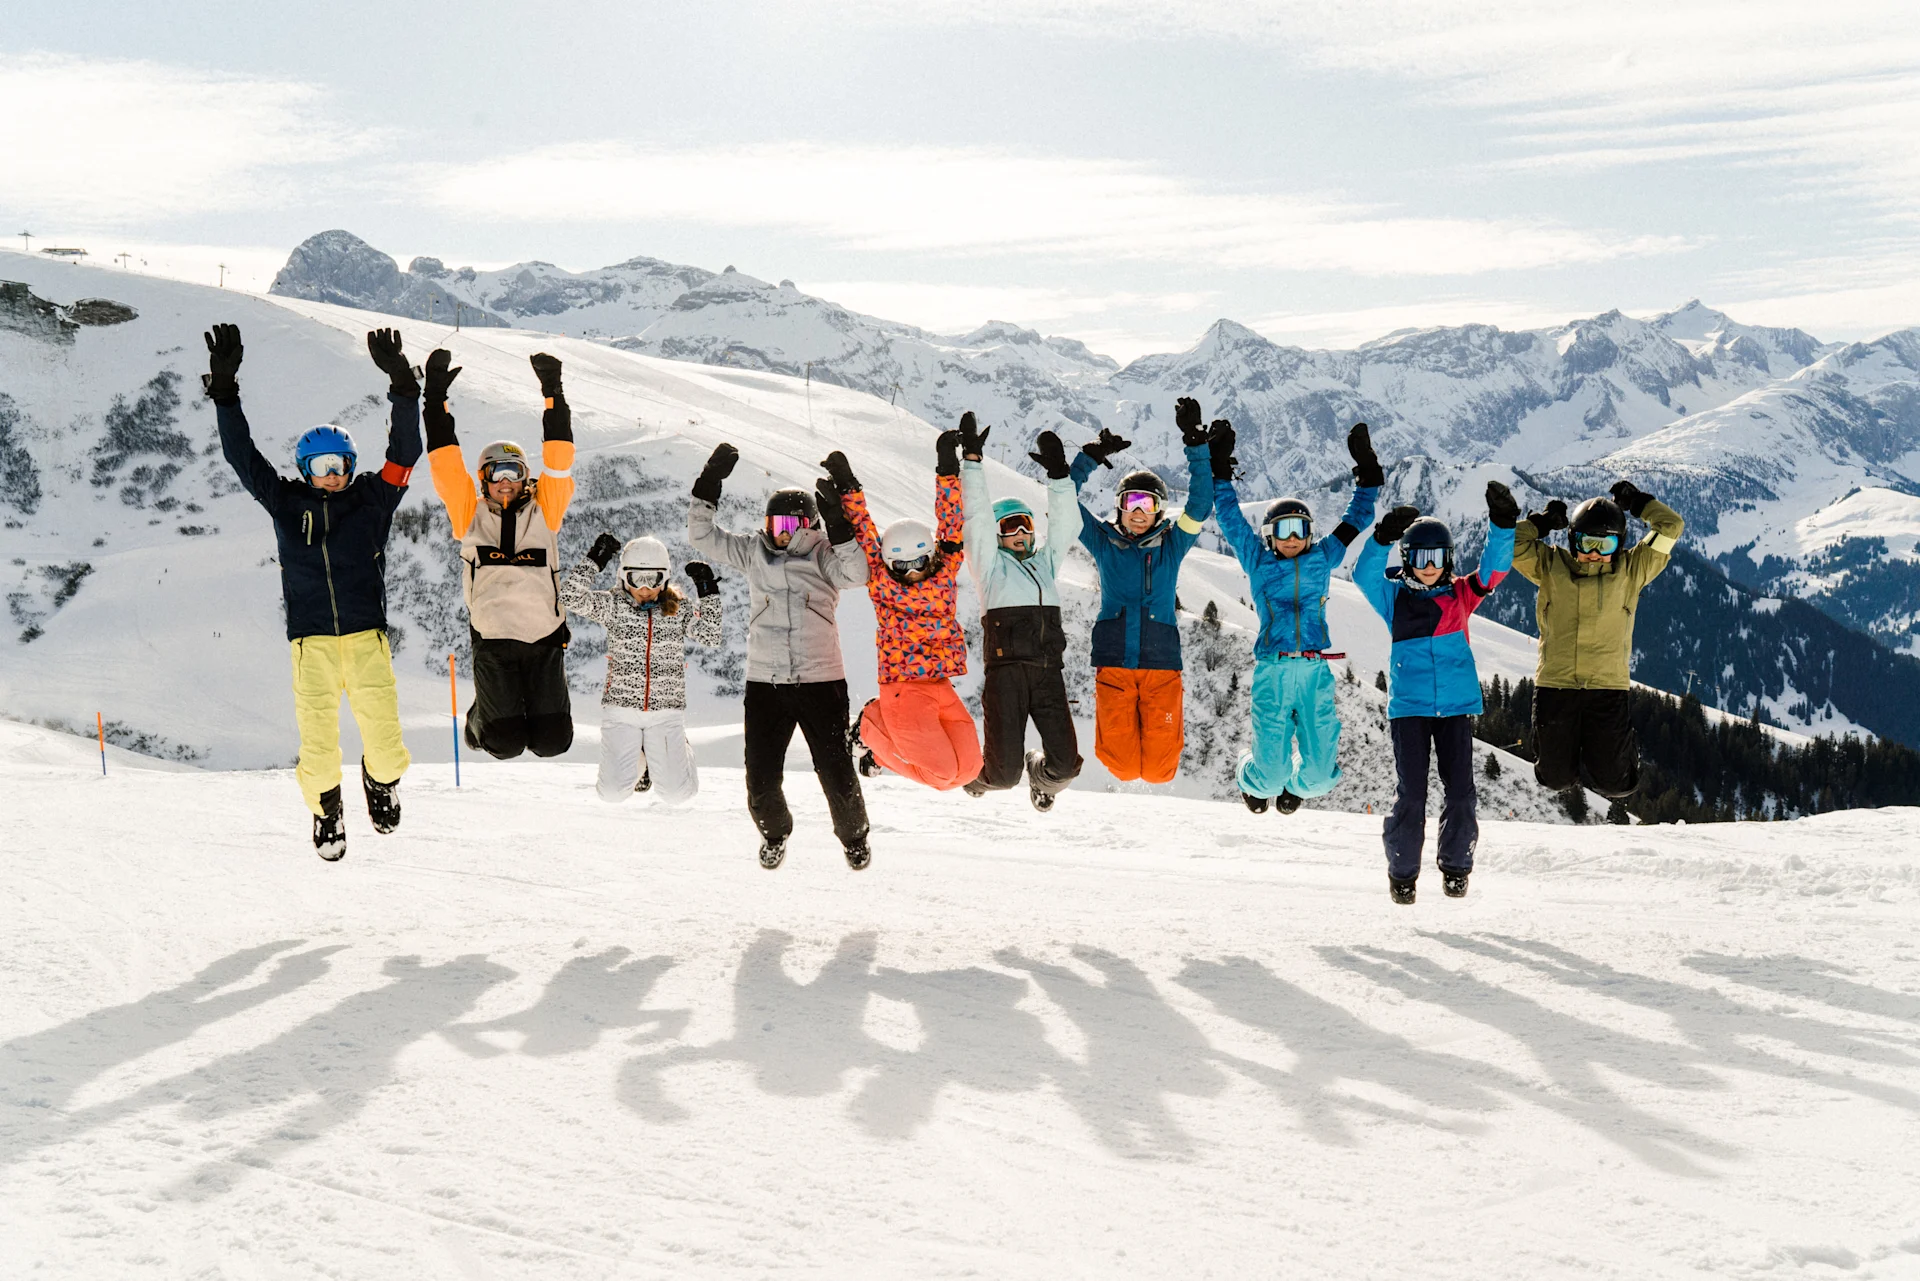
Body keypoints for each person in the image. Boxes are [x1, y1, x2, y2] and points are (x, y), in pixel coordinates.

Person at [205, 322, 421, 861]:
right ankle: (327, 813)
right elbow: (241, 457)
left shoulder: (374, 498)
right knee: (319, 748)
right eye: (322, 467)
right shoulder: (284, 502)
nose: (333, 476)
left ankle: (379, 782)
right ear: (305, 469)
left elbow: (406, 449)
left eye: (341, 465)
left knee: (389, 747)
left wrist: (402, 385)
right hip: (312, 645)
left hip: (366, 638)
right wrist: (225, 391)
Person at [687, 443, 872, 869]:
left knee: (837, 773)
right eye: (774, 523)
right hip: (765, 683)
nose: (780, 531)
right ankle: (774, 833)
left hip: (821, 681)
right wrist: (709, 483)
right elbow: (701, 535)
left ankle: (854, 838)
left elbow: (857, 573)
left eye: (789, 524)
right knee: (760, 778)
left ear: (808, 525)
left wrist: (841, 527)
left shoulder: (825, 554)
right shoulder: (755, 551)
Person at [1207, 418, 1382, 812]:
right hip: (1274, 671)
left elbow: (1357, 519)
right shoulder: (1258, 562)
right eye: (1282, 529)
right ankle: (1249, 776)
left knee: (1320, 777)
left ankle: (1297, 789)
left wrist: (1367, 473)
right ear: (1269, 535)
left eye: (1299, 529)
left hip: (1315, 674)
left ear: (1309, 533)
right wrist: (1219, 468)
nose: (1291, 538)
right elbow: (1231, 521)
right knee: (1268, 774)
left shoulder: (1323, 557)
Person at [1355, 483, 1518, 905]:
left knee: (1461, 792)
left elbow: (1494, 571)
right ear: (1407, 559)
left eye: (1439, 558)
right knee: (1412, 795)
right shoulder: (1394, 598)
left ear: (1448, 560)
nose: (1430, 568)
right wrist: (1381, 537)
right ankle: (1403, 873)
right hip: (1410, 709)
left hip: (1455, 708)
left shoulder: (1460, 595)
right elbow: (1363, 574)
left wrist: (1502, 525)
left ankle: (1456, 867)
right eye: (1422, 558)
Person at [423, 347, 577, 760]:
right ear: (484, 479)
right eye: (496, 474)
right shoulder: (468, 513)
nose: (505, 482)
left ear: (526, 478)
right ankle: (480, 719)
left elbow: (559, 459)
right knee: (504, 743)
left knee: (552, 742)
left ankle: (515, 713)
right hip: (492, 638)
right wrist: (434, 398)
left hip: (544, 637)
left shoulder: (547, 509)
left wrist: (553, 392)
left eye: (515, 473)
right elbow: (444, 464)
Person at [1066, 396, 1215, 783]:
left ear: (1158, 511)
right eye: (1130, 501)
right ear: (1118, 507)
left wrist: (1195, 443)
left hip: (1161, 667)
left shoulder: (1172, 544)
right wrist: (1089, 459)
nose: (1137, 510)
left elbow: (1199, 505)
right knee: (1122, 764)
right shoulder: (1104, 542)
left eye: (1147, 503)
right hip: (1114, 663)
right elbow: (1064, 503)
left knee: (1161, 770)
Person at [1511, 481, 1684, 799]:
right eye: (1587, 543)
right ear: (1573, 540)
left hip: (1606, 690)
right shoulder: (1551, 565)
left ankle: (1623, 751)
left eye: (1604, 547)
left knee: (1617, 784)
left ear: (1618, 546)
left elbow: (1671, 526)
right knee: (1553, 779)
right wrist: (1544, 521)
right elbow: (1513, 544)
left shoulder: (1633, 570)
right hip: (1555, 686)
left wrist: (1639, 503)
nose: (1593, 554)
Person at [828, 436, 982, 790]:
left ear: (931, 556)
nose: (911, 571)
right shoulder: (881, 582)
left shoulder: (946, 569)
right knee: (944, 776)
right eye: (901, 564)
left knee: (971, 769)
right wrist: (847, 486)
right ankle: (870, 729)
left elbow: (951, 521)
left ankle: (878, 725)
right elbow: (864, 531)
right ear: (888, 562)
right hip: (902, 688)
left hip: (940, 683)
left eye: (919, 561)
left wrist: (947, 469)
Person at [959, 412, 1084, 810]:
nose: (1019, 534)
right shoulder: (990, 567)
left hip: (1048, 673)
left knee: (1066, 766)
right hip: (1007, 675)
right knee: (1002, 774)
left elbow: (1067, 524)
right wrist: (972, 461)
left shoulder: (1045, 563)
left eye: (1025, 526)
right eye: (1010, 527)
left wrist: (1060, 476)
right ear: (997, 535)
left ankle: (1041, 778)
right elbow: (976, 517)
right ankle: (976, 780)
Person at [559, 533, 723, 804]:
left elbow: (710, 635)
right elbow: (570, 596)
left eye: (654, 579)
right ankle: (641, 763)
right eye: (637, 578)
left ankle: (680, 749)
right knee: (611, 794)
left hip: (666, 712)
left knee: (677, 794)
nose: (645, 588)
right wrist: (595, 560)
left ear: (666, 578)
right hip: (621, 711)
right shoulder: (613, 606)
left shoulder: (678, 609)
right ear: (624, 577)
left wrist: (707, 590)